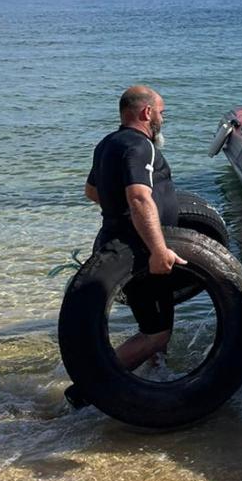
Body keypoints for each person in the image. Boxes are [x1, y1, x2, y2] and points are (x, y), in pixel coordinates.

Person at [67, 84, 186, 406]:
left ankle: (156, 380)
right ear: (147, 112)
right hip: (138, 251)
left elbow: (92, 191)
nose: (162, 118)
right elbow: (139, 197)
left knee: (155, 324)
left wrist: (119, 215)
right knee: (156, 334)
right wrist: (157, 249)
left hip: (119, 243)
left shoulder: (108, 143)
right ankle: (87, 392)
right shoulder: (141, 146)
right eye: (161, 112)